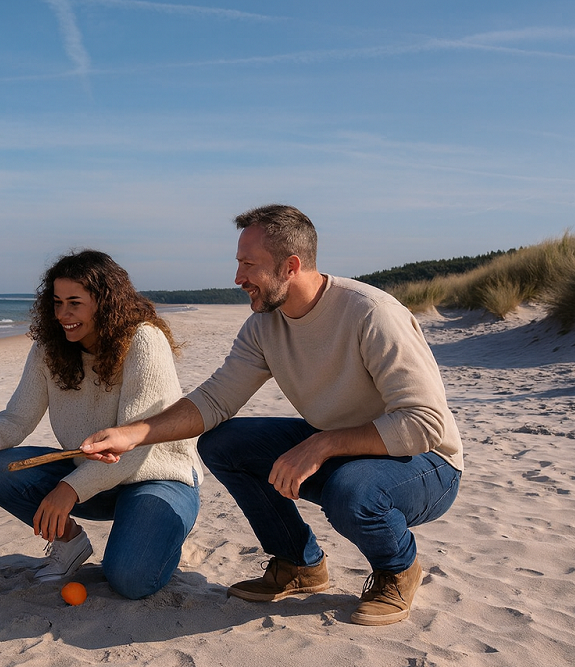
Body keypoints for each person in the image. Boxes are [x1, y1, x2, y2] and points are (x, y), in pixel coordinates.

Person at [81, 205, 463, 625]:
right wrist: (133, 434)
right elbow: (215, 400)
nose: (238, 277)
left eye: (249, 265)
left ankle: (398, 570)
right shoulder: (265, 325)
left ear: (290, 266)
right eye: (238, 263)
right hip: (342, 449)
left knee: (351, 492)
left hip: (426, 465)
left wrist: (323, 443)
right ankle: (299, 563)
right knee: (224, 444)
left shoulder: (371, 313)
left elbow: (426, 423)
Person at [0, 250, 202, 600]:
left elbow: (134, 446)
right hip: (94, 477)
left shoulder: (144, 340)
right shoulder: (49, 348)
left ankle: (161, 531)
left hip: (157, 478)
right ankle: (69, 545)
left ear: (105, 303)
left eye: (74, 303)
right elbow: (17, 419)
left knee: (130, 580)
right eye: (56, 302)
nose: (63, 315)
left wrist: (68, 489)